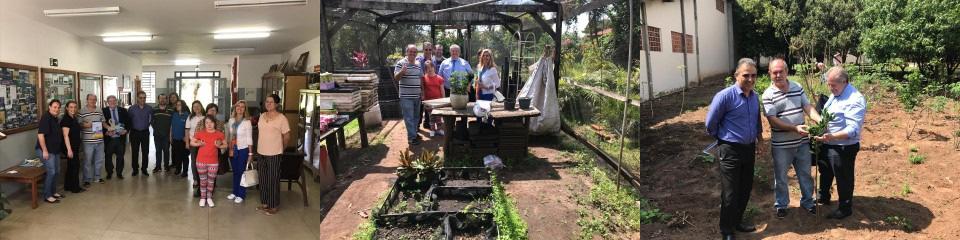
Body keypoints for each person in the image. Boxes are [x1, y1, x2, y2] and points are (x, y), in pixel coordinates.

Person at [705, 58, 762, 240]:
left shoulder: (754, 97)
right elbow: (710, 124)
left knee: (745, 189)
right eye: (746, 75)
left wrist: (760, 140)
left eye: (753, 75)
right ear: (736, 75)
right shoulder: (725, 96)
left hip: (749, 149)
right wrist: (723, 139)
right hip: (729, 150)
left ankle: (737, 222)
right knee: (730, 193)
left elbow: (757, 121)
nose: (750, 79)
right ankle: (727, 230)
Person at [761, 58, 823, 219]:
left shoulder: (797, 87)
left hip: (802, 142)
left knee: (805, 174)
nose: (778, 75)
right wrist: (794, 128)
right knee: (781, 176)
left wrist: (819, 119)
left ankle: (808, 202)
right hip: (781, 145)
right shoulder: (768, 95)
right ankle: (782, 205)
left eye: (781, 71)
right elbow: (772, 120)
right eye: (774, 72)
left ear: (787, 72)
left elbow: (807, 107)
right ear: (769, 74)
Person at [814, 66, 867, 220]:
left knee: (843, 176)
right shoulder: (837, 92)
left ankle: (845, 208)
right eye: (828, 84)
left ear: (844, 82)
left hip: (843, 146)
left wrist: (832, 136)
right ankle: (824, 196)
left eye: (833, 85)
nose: (830, 88)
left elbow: (853, 130)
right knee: (826, 170)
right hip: (829, 141)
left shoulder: (854, 99)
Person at [257, 94, 290, 215]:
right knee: (263, 179)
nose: (268, 104)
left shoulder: (282, 118)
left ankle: (274, 205)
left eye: (271, 102)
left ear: (276, 104)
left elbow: (287, 136)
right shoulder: (261, 116)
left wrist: (281, 148)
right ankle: (265, 203)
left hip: (274, 153)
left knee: (273, 179)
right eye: (267, 102)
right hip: (261, 152)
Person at [191, 116, 227, 208]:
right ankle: (203, 198)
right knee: (203, 181)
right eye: (207, 122)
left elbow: (225, 145)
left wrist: (219, 146)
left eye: (211, 122)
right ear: (204, 124)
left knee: (211, 181)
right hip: (201, 161)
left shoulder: (219, 134)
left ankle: (209, 197)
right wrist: (199, 143)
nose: (209, 124)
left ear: (214, 123)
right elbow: (192, 143)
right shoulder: (200, 133)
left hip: (213, 162)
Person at [394, 44, 424, 145]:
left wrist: (422, 92)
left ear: (416, 53)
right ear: (406, 52)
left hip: (417, 96)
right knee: (409, 117)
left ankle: (414, 133)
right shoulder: (401, 63)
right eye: (410, 51)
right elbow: (396, 78)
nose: (412, 53)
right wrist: (402, 72)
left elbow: (420, 79)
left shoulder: (418, 63)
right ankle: (412, 138)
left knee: (416, 117)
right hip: (406, 97)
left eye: (414, 52)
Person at [37, 100, 65, 203]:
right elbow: (40, 135)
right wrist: (44, 150)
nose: (56, 109)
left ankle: (53, 192)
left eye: (58, 107)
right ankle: (47, 195)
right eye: (54, 107)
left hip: (55, 150)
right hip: (46, 150)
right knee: (51, 171)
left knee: (57, 171)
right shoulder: (46, 117)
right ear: (49, 107)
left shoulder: (55, 118)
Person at [226, 100, 253, 204]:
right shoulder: (231, 120)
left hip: (243, 149)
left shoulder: (247, 122)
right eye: (238, 106)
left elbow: (249, 139)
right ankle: (235, 192)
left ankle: (241, 194)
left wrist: (250, 153)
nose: (240, 108)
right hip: (233, 149)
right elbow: (229, 135)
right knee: (235, 171)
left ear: (245, 109)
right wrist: (228, 148)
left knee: (241, 172)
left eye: (242, 107)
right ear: (235, 108)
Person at [79, 94, 107, 186]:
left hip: (99, 139)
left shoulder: (99, 109)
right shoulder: (81, 111)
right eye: (91, 99)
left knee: (99, 160)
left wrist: (110, 128)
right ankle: (87, 179)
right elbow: (78, 124)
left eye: (95, 99)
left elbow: (103, 122)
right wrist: (85, 125)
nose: (93, 101)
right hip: (88, 141)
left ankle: (97, 177)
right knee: (87, 161)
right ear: (87, 100)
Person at [103, 95, 130, 180]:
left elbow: (129, 122)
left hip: (120, 138)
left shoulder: (123, 110)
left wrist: (126, 130)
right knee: (108, 156)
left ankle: (119, 173)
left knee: (120, 156)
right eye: (110, 101)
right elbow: (100, 124)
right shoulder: (103, 111)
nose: (112, 102)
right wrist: (106, 132)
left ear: (117, 101)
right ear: (107, 102)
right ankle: (109, 172)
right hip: (109, 139)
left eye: (114, 101)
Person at [127, 91, 153, 176]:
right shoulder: (131, 109)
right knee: (135, 151)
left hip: (145, 132)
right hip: (134, 133)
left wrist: (146, 126)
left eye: (144, 98)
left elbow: (151, 119)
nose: (143, 99)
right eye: (141, 97)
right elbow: (129, 120)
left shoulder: (149, 108)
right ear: (137, 98)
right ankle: (135, 169)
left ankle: (144, 169)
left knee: (145, 151)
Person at [62, 100, 85, 193]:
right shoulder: (66, 119)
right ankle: (75, 188)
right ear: (67, 108)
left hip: (74, 146)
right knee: (75, 166)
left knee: (71, 166)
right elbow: (65, 135)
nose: (73, 109)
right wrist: (69, 150)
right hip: (69, 147)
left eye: (75, 107)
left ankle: (68, 186)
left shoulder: (73, 118)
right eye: (71, 107)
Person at [422, 61, 445, 137]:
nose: (429, 69)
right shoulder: (424, 78)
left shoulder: (439, 78)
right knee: (431, 117)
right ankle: (432, 130)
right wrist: (424, 101)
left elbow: (442, 90)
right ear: (425, 69)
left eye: (431, 67)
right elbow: (423, 90)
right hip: (429, 102)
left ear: (434, 67)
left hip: (438, 102)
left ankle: (439, 129)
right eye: (427, 68)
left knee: (438, 117)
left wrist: (443, 100)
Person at [184, 101, 206, 178]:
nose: (196, 108)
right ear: (192, 108)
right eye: (194, 107)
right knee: (194, 161)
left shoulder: (205, 117)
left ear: (201, 107)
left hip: (204, 143)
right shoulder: (190, 117)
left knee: (203, 161)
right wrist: (187, 143)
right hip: (193, 142)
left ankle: (203, 178)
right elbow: (187, 131)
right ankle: (195, 179)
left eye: (198, 106)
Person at [152, 94, 173, 173]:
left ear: (166, 100)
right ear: (158, 99)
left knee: (166, 151)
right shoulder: (154, 109)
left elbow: (172, 123)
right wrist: (156, 128)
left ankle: (166, 166)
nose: (162, 100)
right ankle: (158, 166)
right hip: (157, 135)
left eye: (164, 98)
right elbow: (151, 121)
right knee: (158, 151)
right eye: (161, 98)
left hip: (166, 135)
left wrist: (170, 134)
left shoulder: (171, 110)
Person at [171, 100, 190, 176]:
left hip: (184, 140)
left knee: (184, 156)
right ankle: (178, 169)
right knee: (177, 155)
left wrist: (187, 137)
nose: (178, 106)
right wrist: (170, 136)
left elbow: (189, 128)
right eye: (177, 105)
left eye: (180, 105)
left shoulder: (187, 115)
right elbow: (172, 126)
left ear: (183, 106)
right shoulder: (174, 114)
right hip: (175, 138)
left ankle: (185, 171)